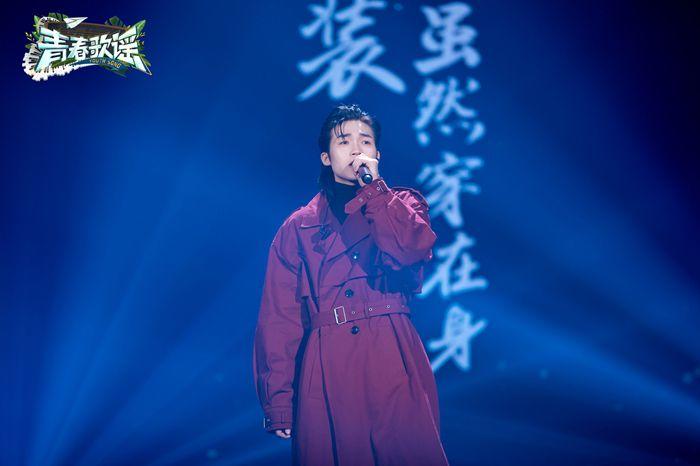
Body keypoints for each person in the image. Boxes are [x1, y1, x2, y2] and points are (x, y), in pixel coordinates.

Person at [253, 103, 450, 465]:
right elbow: (279, 317)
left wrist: (375, 190)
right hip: (325, 363)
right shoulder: (297, 227)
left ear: (377, 155)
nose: (356, 149)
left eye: (366, 141)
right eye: (344, 141)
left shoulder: (402, 204)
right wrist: (279, 401)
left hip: (390, 352)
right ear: (326, 157)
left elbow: (410, 249)